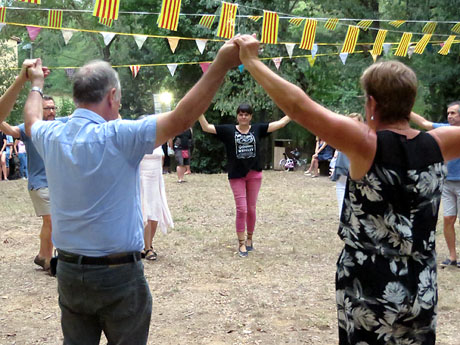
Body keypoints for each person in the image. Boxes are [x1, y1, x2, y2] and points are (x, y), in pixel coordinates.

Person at [234, 34, 460, 344]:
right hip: (421, 280)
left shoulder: (365, 144)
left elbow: (299, 106)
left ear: (371, 103)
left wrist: (252, 61)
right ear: (411, 101)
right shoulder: (441, 143)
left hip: (369, 280)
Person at [23, 36, 240, 345]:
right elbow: (182, 117)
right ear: (112, 96)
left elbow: (31, 120)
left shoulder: (52, 135)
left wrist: (35, 84)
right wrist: (221, 64)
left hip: (70, 272)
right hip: (118, 275)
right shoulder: (120, 136)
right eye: (120, 98)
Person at [198, 105, 290, 257]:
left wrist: (293, 113)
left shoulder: (257, 129)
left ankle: (249, 239)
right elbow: (206, 127)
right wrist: (198, 112)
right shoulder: (229, 131)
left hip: (254, 174)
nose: (243, 117)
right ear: (237, 116)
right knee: (242, 209)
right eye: (241, 114)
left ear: (251, 117)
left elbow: (279, 123)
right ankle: (241, 243)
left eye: (246, 114)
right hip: (236, 175)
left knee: (251, 208)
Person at [0, 95, 67, 271]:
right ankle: (47, 260)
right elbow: (10, 131)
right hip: (39, 182)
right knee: (51, 220)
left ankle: (42, 256)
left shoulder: (62, 123)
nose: (52, 111)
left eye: (53, 108)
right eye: (47, 108)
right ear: (39, 111)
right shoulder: (30, 128)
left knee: (53, 221)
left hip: (59, 183)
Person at [410, 103, 460, 269]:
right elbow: (424, 124)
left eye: (453, 113)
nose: (450, 116)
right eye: (448, 113)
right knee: (448, 219)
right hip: (447, 182)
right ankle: (452, 257)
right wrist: (401, 109)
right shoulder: (444, 129)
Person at [140, 144, 174, 261]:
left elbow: (162, 158)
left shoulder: (158, 139)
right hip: (141, 178)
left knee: (155, 210)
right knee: (145, 211)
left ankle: (148, 244)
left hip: (156, 178)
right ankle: (146, 247)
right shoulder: (137, 136)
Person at [329, 113, 363, 216]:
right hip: (342, 174)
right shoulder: (341, 136)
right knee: (342, 210)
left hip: (357, 176)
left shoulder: (364, 139)